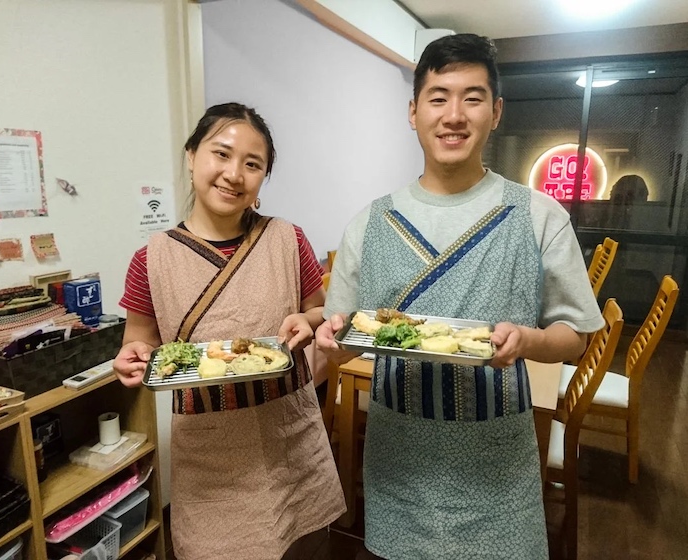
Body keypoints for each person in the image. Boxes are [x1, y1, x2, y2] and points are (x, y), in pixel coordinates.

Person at [316, 34, 604, 560]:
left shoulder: (538, 215)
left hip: (500, 469)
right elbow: (346, 339)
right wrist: (329, 339)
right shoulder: (370, 222)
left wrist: (531, 339)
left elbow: (576, 339)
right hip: (398, 463)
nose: (454, 115)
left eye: (472, 98)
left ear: (495, 112)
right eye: (438, 96)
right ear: (413, 111)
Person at [114, 103, 346, 560]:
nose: (234, 173)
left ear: (262, 179)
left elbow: (319, 311)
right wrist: (133, 357)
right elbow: (138, 341)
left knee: (307, 549)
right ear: (191, 155)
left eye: (252, 164)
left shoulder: (288, 239)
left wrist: (312, 320)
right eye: (221, 154)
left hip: (293, 445)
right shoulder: (151, 260)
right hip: (210, 457)